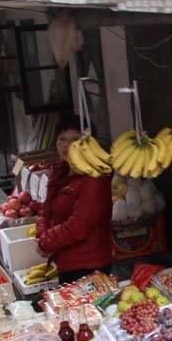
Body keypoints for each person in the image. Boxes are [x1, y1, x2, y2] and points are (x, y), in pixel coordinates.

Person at [37, 114, 112, 285]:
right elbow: (45, 209)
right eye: (62, 139)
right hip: (65, 262)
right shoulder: (59, 172)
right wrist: (42, 235)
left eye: (75, 139)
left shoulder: (96, 178)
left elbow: (78, 226)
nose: (67, 145)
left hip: (89, 266)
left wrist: (46, 242)